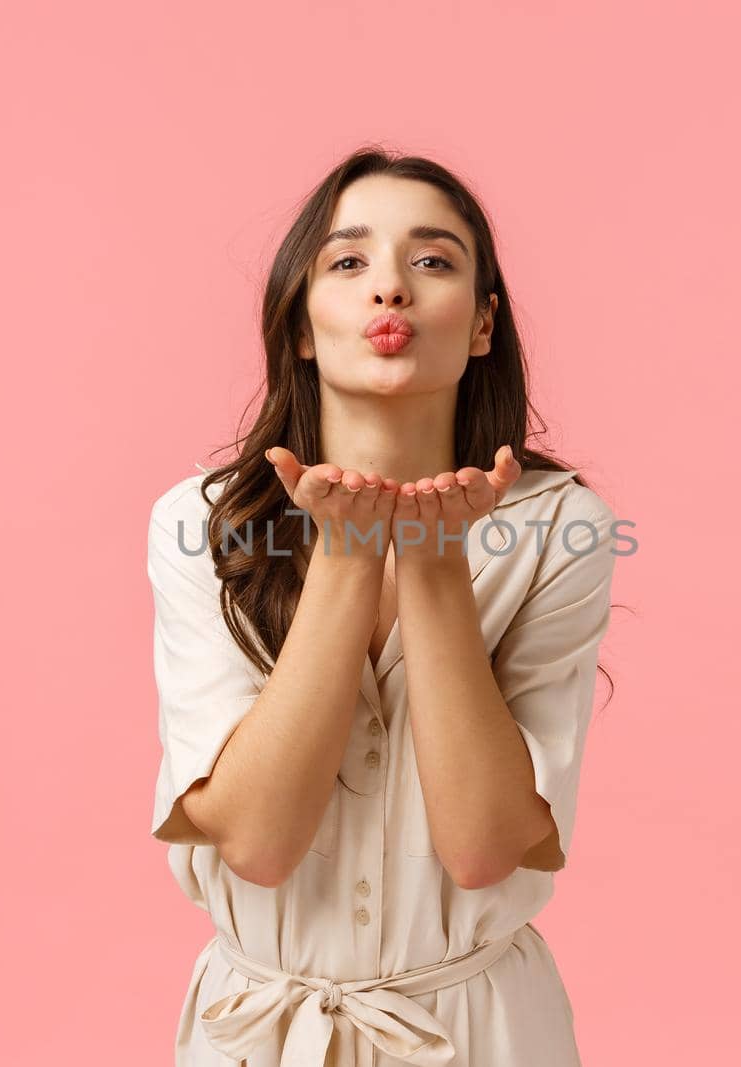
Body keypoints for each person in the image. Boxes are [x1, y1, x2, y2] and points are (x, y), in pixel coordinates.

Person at [148, 146, 621, 1066]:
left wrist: (436, 561)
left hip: (477, 1034)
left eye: (433, 260)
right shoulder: (198, 523)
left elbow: (484, 848)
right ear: (300, 325)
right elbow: (256, 840)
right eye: (350, 261)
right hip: (257, 1036)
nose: (391, 290)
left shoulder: (561, 527)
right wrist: (350, 555)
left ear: (483, 324)